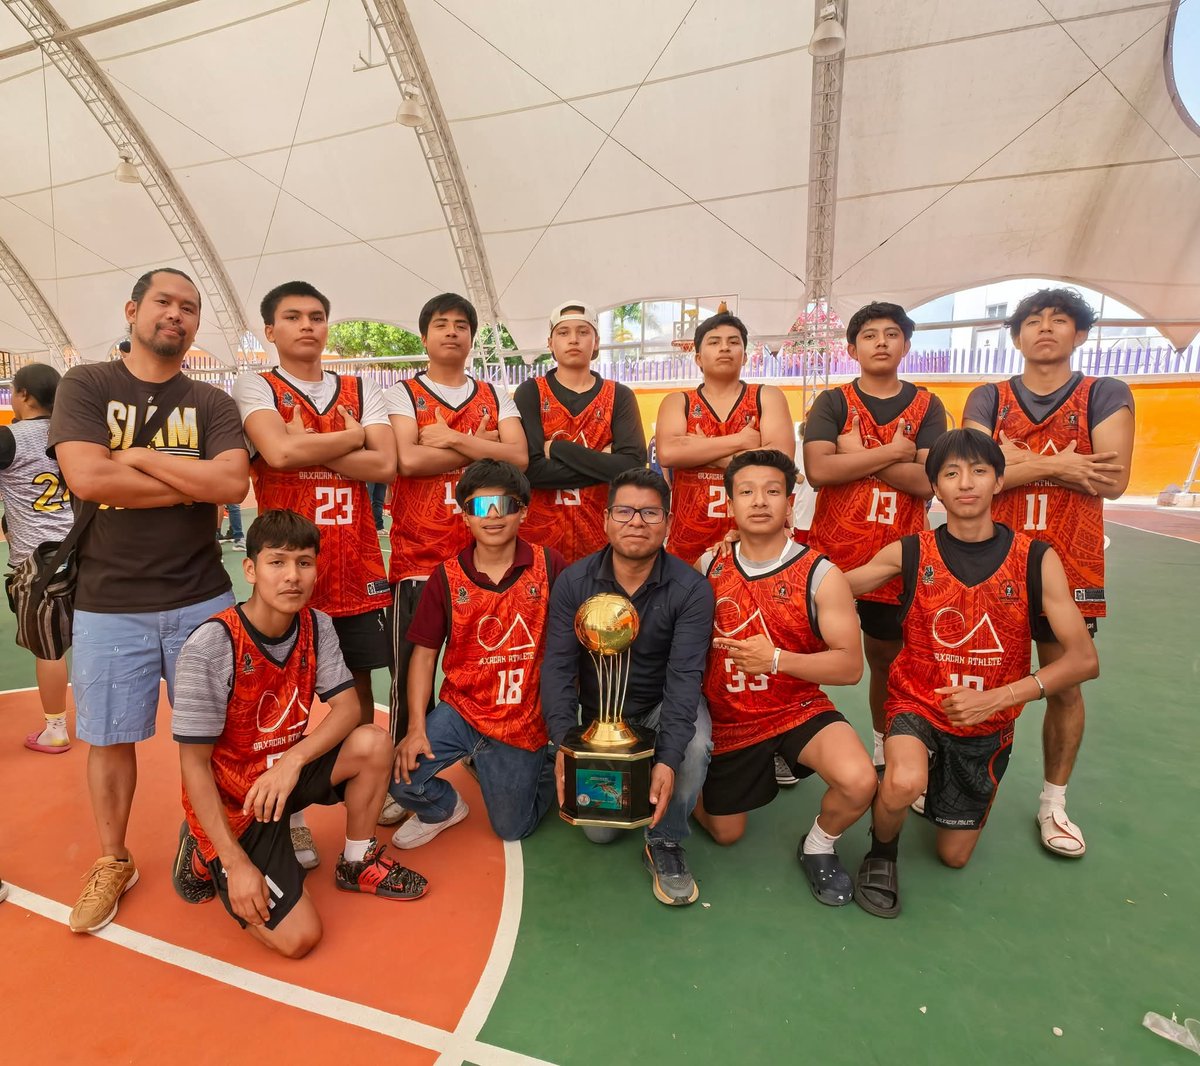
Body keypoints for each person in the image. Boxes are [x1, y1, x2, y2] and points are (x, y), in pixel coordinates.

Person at [49, 267, 249, 934]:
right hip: (109, 600)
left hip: (202, 597)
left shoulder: (212, 402)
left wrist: (134, 457)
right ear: (133, 310)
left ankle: (217, 838)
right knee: (109, 739)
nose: (177, 315)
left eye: (189, 308)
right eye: (164, 302)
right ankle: (113, 859)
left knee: (220, 735)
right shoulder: (88, 384)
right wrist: (188, 481)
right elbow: (85, 474)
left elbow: (231, 482)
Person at [844, 429, 1099, 918]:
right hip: (916, 703)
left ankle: (944, 775)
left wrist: (1001, 698)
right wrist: (763, 548)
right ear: (935, 488)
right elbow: (831, 584)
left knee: (953, 857)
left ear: (999, 481)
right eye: (951, 473)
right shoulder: (911, 552)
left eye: (980, 471)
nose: (966, 483)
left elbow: (1084, 659)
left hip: (987, 721)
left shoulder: (1037, 559)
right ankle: (882, 852)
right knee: (901, 781)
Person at [170, 510, 427, 958]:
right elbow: (192, 765)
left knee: (373, 742)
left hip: (281, 781)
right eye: (278, 562)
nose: (293, 576)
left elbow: (348, 709)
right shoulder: (211, 645)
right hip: (239, 804)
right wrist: (233, 862)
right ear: (249, 568)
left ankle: (357, 860)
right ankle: (202, 849)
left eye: (304, 562)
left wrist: (292, 762)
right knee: (299, 939)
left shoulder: (316, 625)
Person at [963, 287, 1133, 858]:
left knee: (1065, 683)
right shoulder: (987, 395)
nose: (1045, 329)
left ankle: (1053, 803)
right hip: (995, 556)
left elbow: (1112, 479)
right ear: (1016, 336)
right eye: (1033, 321)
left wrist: (1019, 463)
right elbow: (975, 472)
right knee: (971, 669)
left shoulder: (1104, 392)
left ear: (1079, 334)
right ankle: (951, 780)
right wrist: (1063, 463)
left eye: (1059, 321)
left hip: (1073, 556)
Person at [235, 280, 400, 863]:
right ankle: (294, 814)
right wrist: (351, 437)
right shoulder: (254, 383)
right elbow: (277, 455)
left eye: (317, 316)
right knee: (284, 694)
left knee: (356, 689)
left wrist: (315, 441)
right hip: (291, 568)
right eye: (293, 316)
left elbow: (385, 462)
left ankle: (359, 787)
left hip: (354, 566)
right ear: (270, 330)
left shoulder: (361, 387)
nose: (307, 325)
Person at [695, 450, 874, 906]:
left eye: (772, 491)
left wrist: (776, 660)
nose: (760, 502)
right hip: (729, 718)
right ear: (729, 503)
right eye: (747, 492)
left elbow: (850, 667)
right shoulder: (707, 566)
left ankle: (818, 844)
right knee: (725, 833)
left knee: (859, 780)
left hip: (794, 707)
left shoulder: (822, 574)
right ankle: (692, 782)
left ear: (790, 502)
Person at [542, 468, 715, 906]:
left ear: (668, 523)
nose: (636, 521)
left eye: (650, 512)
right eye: (625, 510)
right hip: (601, 718)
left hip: (660, 705)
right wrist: (565, 743)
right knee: (600, 833)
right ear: (605, 520)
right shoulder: (574, 583)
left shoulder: (691, 589)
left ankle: (665, 840)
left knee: (694, 746)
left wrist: (670, 759)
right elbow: (558, 667)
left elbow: (684, 678)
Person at [389, 460, 565, 844]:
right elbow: (423, 655)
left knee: (511, 829)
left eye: (504, 504)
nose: (493, 516)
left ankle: (544, 762)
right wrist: (417, 726)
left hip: (522, 718)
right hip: (462, 709)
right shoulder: (445, 576)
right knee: (399, 780)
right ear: (465, 516)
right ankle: (445, 808)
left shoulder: (550, 566)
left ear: (523, 510)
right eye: (480, 507)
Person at [804, 302, 947, 774]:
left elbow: (928, 482)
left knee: (886, 660)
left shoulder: (928, 405)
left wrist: (862, 454)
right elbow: (820, 470)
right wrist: (895, 453)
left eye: (891, 334)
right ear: (851, 348)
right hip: (833, 557)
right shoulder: (833, 401)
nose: (881, 342)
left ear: (907, 345)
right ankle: (789, 733)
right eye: (869, 335)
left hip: (898, 558)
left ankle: (885, 743)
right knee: (806, 649)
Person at [385, 293, 527, 745]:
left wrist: (449, 438)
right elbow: (406, 459)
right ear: (425, 336)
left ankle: (475, 745)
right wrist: (480, 445)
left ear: (471, 336)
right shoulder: (401, 393)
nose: (451, 331)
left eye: (461, 325)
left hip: (483, 557)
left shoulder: (494, 394)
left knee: (483, 660)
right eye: (441, 324)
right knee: (412, 671)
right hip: (419, 557)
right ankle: (404, 773)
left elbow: (518, 458)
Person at [655, 310, 794, 565]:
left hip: (755, 539)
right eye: (714, 342)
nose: (725, 348)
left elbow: (780, 462)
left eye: (733, 342)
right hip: (689, 541)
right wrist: (742, 442)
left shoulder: (767, 397)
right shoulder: (678, 401)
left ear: (745, 357)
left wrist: (701, 450)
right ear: (698, 358)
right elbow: (669, 452)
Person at [513, 301, 646, 563]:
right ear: (550, 343)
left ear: (596, 341)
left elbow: (632, 466)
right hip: (540, 540)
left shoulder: (619, 395)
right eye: (563, 333)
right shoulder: (530, 392)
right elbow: (530, 470)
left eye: (583, 332)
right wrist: (604, 463)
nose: (573, 339)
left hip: (604, 539)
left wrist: (558, 449)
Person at [0, 363, 75, 753]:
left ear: (26, 395)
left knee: (50, 648)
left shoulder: (8, 438)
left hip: (39, 561)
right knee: (93, 639)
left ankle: (56, 728)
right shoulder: (72, 431)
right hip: (86, 549)